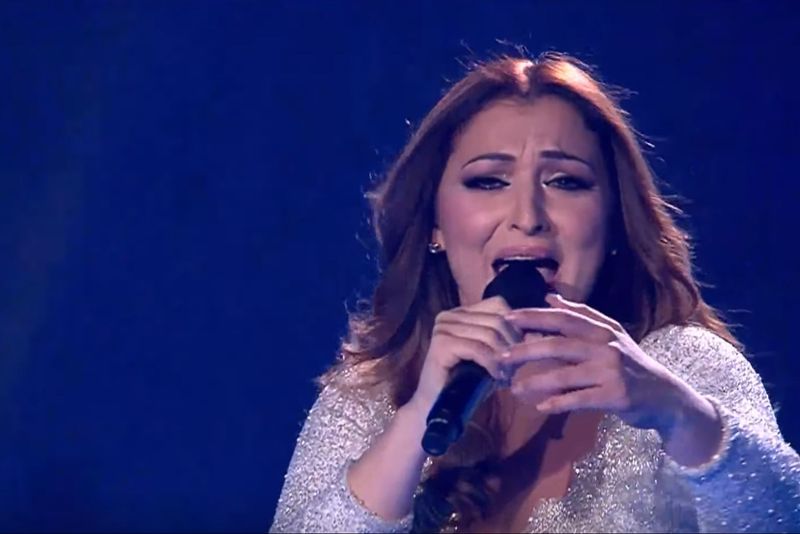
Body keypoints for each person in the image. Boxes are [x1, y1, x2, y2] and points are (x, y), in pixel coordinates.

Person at [269, 52, 800, 533]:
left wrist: (679, 414)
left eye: (565, 182)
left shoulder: (683, 367)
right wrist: (419, 417)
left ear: (615, 220)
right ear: (434, 223)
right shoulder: (369, 396)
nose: (527, 217)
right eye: (488, 181)